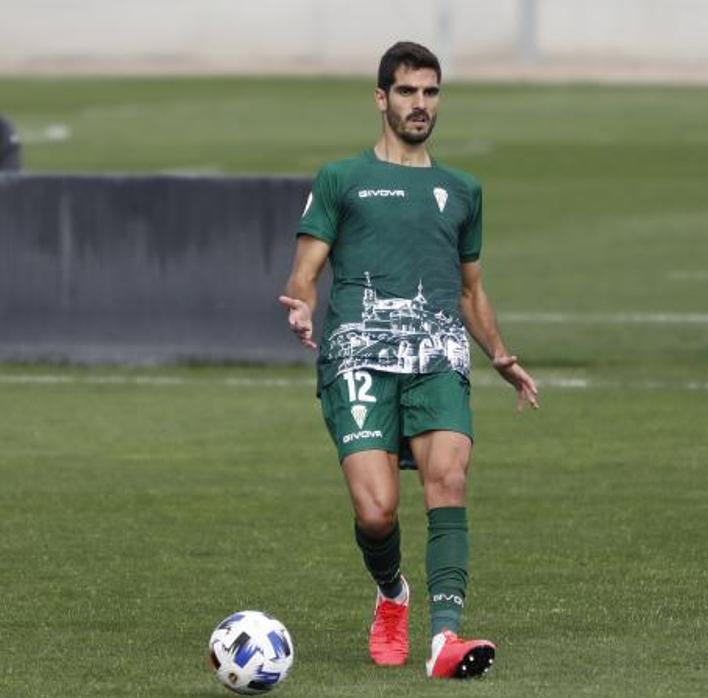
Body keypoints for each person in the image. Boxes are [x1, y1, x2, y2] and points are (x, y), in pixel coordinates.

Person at [278, 41, 539, 678]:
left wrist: (499, 354)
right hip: (358, 357)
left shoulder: (462, 190)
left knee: (448, 477)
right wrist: (301, 303)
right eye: (407, 91)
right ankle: (392, 592)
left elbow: (471, 287)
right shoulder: (341, 178)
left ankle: (444, 641)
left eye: (430, 92)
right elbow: (307, 267)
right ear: (381, 98)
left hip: (438, 354)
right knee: (377, 511)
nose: (420, 104)